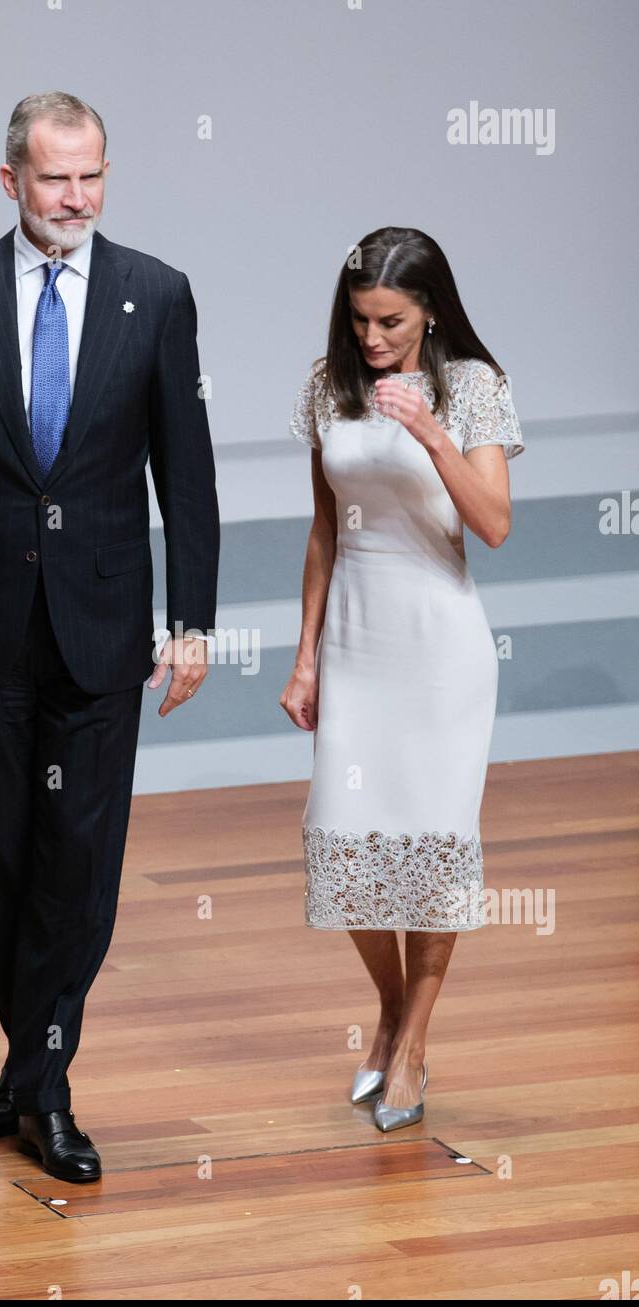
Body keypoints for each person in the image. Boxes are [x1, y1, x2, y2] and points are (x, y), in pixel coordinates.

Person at [0, 91, 219, 1181]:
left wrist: (194, 620)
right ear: (9, 182)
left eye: (90, 177)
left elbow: (189, 475)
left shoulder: (155, 294)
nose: (73, 198)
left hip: (104, 630)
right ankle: (29, 1070)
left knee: (80, 868)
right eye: (51, 178)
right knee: (2, 861)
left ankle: (45, 1084)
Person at [282, 226, 524, 1132]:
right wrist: (304, 656)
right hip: (355, 640)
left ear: (430, 312)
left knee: (430, 846)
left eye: (391, 320)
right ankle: (387, 1007)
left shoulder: (474, 389)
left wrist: (428, 431)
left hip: (440, 651)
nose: (373, 339)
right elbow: (323, 530)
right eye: (360, 320)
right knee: (343, 843)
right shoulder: (326, 386)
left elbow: (494, 524)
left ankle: (413, 1042)